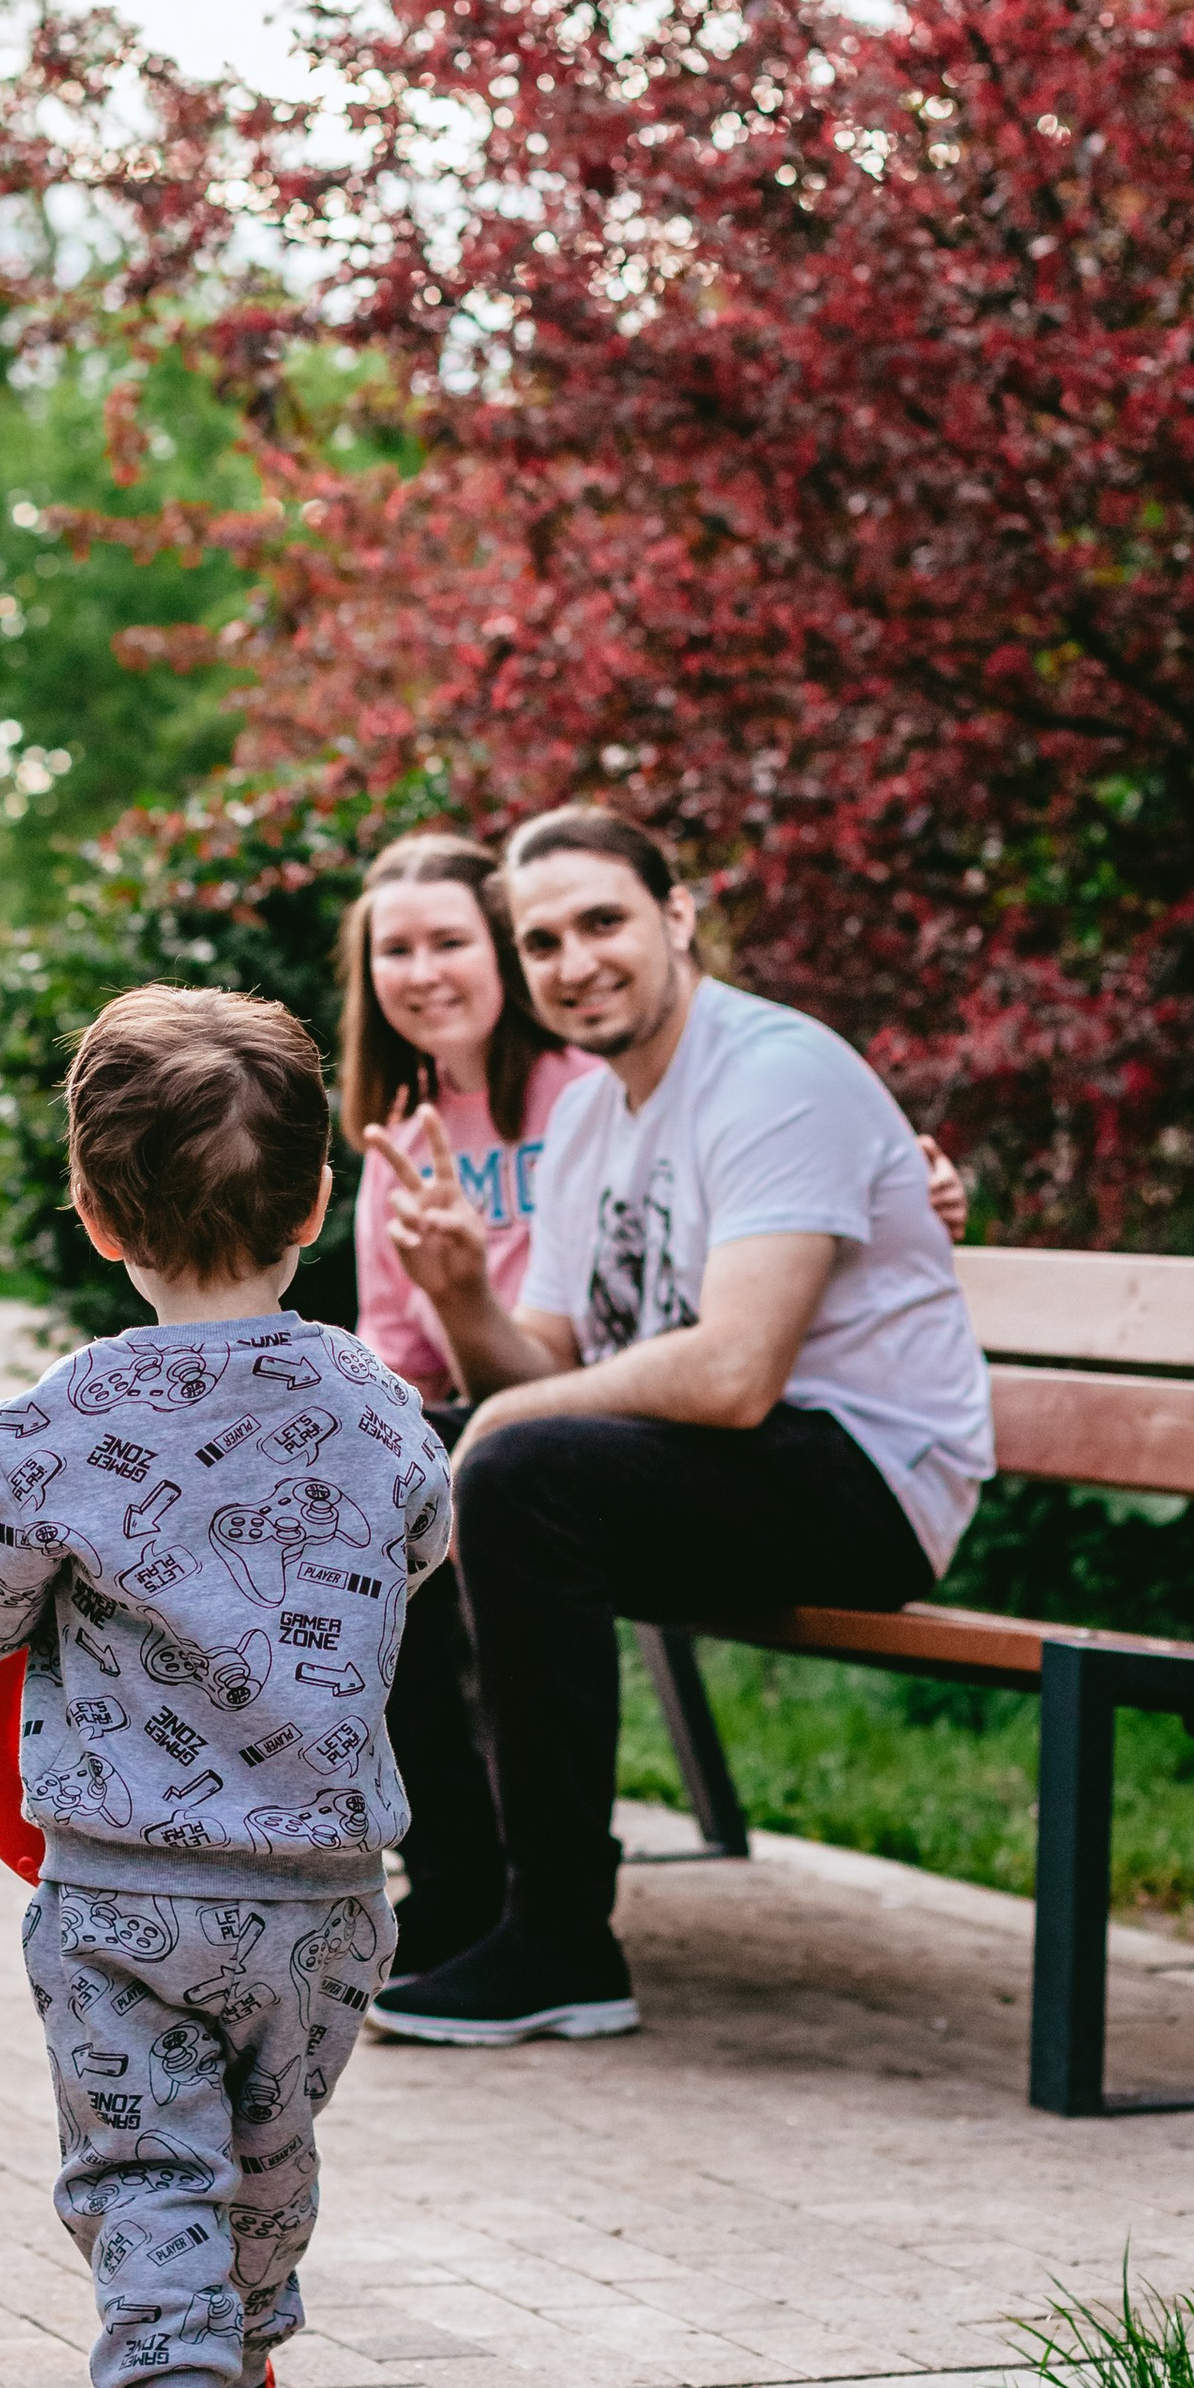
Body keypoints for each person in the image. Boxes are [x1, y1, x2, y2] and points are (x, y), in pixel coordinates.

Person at [0, 984, 452, 2388]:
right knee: (268, 2155)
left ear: (92, 1214)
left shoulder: (61, 1419)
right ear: (319, 1201)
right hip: (325, 1895)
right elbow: (425, 1539)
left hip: (123, 1894)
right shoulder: (375, 1401)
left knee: (150, 2156)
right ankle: (237, 2356)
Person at [361, 805, 992, 2049]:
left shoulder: (774, 1074)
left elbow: (737, 1373)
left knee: (515, 1465)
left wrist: (497, 1423)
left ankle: (561, 1940)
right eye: (542, 942)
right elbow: (543, 1362)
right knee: (397, 1467)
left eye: (603, 922)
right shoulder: (592, 1118)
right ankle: (463, 1898)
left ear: (678, 914)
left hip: (867, 1477)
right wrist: (460, 1294)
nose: (574, 962)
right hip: (728, 1470)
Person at [340, 834, 586, 1976]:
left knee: (431, 1479)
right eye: (395, 949)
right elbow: (394, 1357)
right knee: (353, 1490)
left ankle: (482, 1886)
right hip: (464, 1431)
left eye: (450, 940)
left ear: (503, 951)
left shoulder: (583, 1094)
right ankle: (447, 1870)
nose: (423, 971)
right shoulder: (401, 1133)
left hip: (582, 1427)